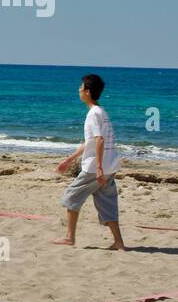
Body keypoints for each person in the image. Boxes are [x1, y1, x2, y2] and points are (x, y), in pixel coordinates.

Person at [53, 73, 125, 250]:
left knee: (72, 196)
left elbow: (99, 140)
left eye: (80, 88)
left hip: (95, 168)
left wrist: (98, 168)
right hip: (110, 166)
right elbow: (89, 143)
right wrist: (69, 160)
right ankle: (119, 242)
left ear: (88, 91)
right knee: (107, 203)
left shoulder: (93, 114)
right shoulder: (102, 112)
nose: (78, 90)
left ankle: (69, 237)